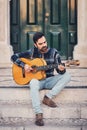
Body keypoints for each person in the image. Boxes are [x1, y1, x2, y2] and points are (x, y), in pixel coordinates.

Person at [11, 32, 71, 126]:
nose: (44, 45)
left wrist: (61, 70)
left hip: (49, 80)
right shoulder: (31, 52)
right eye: (40, 44)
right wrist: (24, 65)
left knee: (67, 76)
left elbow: (60, 72)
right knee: (33, 82)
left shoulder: (54, 52)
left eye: (45, 42)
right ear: (35, 44)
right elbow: (13, 57)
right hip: (37, 82)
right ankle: (38, 113)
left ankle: (47, 98)